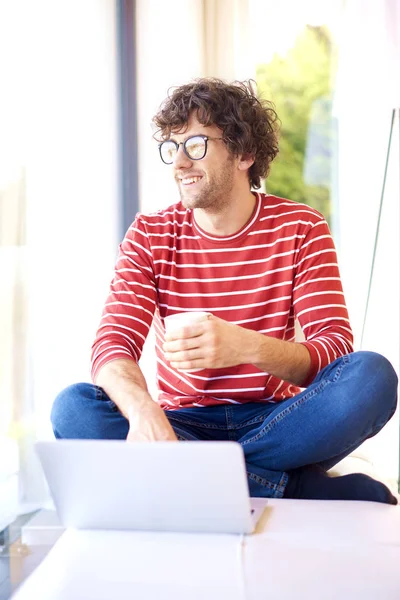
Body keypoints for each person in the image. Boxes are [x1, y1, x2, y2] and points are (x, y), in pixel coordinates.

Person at [51, 78, 398, 504]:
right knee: (73, 408)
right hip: (181, 425)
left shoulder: (301, 228)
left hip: (278, 423)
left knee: (372, 378)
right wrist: (143, 412)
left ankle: (196, 477)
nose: (179, 163)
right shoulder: (150, 234)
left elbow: (334, 354)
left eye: (195, 145)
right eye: (172, 147)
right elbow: (111, 347)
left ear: (244, 153)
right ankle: (292, 487)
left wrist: (246, 347)